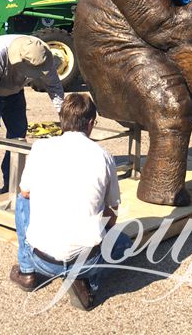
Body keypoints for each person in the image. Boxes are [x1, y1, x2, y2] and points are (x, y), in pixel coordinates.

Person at [10, 93, 132, 310]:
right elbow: (112, 208)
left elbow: (26, 193)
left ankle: (27, 269)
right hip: (86, 259)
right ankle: (87, 282)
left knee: (22, 198)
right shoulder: (103, 156)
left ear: (61, 120)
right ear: (91, 123)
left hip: (42, 259)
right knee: (124, 242)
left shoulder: (40, 148)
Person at [0, 34, 65, 199]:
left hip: (15, 93)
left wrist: (64, 114)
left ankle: (11, 181)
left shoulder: (42, 54)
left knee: (18, 138)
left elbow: (54, 85)